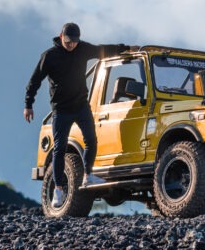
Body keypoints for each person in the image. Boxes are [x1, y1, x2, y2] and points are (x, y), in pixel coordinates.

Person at [24, 22, 131, 208]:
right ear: (61, 37)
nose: (72, 45)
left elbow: (101, 50)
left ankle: (88, 176)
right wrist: (28, 104)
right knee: (60, 148)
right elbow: (34, 81)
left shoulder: (82, 49)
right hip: (61, 109)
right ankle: (58, 189)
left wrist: (125, 48)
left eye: (74, 42)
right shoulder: (49, 56)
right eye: (68, 42)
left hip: (81, 106)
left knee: (91, 139)